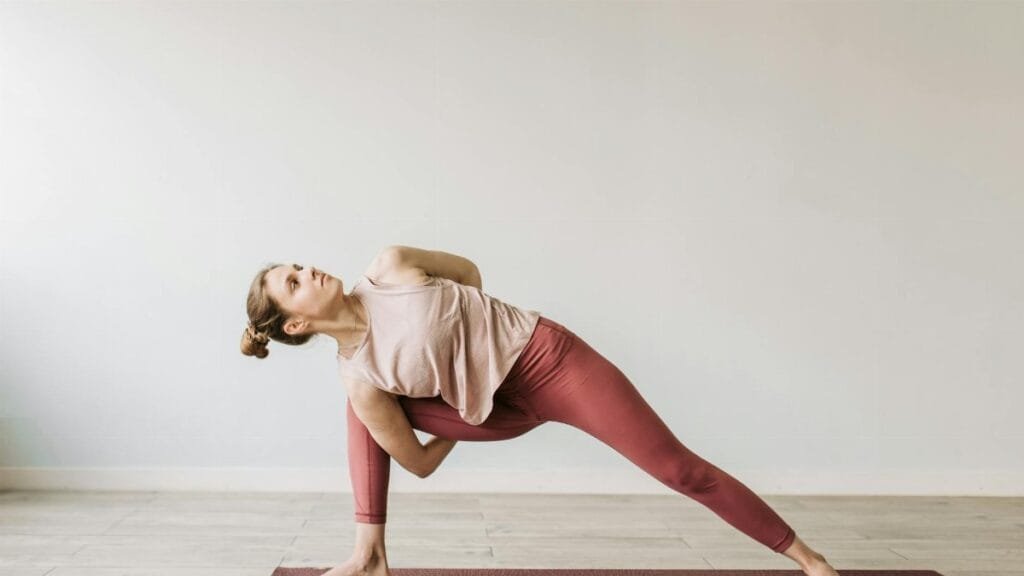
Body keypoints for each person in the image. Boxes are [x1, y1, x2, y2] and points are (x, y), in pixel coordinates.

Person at [240, 245, 840, 576]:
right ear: (296, 324)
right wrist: (469, 405)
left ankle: (809, 560)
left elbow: (470, 273)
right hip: (494, 410)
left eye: (297, 264)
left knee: (679, 469)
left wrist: (471, 345)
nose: (307, 269)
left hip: (550, 361)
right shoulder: (362, 377)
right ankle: (368, 556)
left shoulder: (390, 267)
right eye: (294, 282)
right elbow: (419, 464)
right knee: (362, 402)